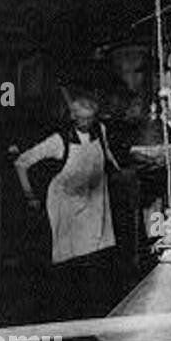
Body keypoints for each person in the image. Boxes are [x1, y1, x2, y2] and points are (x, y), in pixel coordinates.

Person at [14, 92, 121, 316]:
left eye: (91, 119)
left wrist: (119, 171)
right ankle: (68, 311)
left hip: (94, 199)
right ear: (73, 117)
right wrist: (29, 195)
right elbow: (21, 163)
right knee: (69, 259)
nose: (88, 124)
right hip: (67, 204)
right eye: (83, 120)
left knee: (97, 256)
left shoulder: (100, 130)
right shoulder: (58, 140)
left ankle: (96, 312)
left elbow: (107, 154)